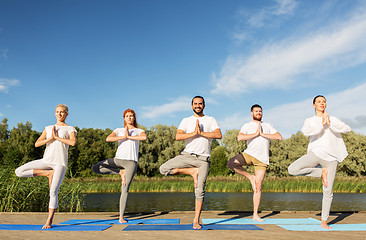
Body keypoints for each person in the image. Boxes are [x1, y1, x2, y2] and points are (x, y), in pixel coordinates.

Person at [288, 95, 351, 229]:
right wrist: (322, 125)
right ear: (314, 105)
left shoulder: (332, 119)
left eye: (324, 102)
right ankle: (321, 172)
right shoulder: (310, 120)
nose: (322, 103)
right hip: (316, 153)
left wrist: (329, 123)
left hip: (332, 158)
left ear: (326, 105)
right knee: (292, 169)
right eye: (319, 102)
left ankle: (324, 221)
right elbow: (306, 132)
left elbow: (347, 129)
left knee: (328, 190)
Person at [159, 96, 222, 229]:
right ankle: (192, 172)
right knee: (163, 169)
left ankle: (195, 220)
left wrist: (202, 133)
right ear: (191, 106)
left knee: (200, 190)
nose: (198, 106)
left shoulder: (210, 120)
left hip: (203, 159)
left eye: (200, 104)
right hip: (187, 156)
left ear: (204, 105)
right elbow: (178, 136)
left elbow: (218, 135)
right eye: (195, 104)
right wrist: (194, 133)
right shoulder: (186, 120)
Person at [15, 104, 77, 229]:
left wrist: (57, 137)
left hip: (60, 163)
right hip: (46, 160)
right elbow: (37, 144)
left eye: (62, 112)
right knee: (19, 171)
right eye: (57, 112)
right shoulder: (48, 128)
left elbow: (73, 142)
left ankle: (49, 221)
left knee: (53, 191)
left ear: (67, 114)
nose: (59, 114)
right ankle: (48, 173)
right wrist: (50, 138)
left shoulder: (70, 128)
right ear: (55, 113)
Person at [227, 104, 282, 222]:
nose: (258, 113)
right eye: (256, 111)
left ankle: (255, 214)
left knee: (258, 186)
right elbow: (240, 138)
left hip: (262, 159)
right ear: (251, 113)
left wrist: (262, 134)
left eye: (260, 111)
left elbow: (278, 137)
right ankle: (250, 177)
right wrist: (255, 134)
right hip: (249, 154)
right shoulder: (247, 125)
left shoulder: (267, 125)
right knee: (231, 163)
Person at [92, 109, 146, 223]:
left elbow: (144, 137)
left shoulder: (138, 130)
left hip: (131, 162)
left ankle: (121, 216)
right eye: (127, 116)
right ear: (124, 118)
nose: (129, 118)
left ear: (134, 118)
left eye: (131, 116)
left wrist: (129, 136)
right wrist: (123, 136)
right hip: (118, 160)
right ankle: (120, 172)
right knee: (96, 167)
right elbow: (108, 138)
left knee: (125, 189)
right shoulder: (118, 130)